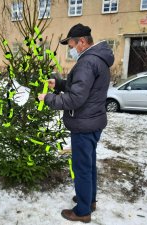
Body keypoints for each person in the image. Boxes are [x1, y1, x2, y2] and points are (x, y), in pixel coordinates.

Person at [38, 23, 114, 223]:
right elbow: (83, 89)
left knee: (81, 167)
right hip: (93, 121)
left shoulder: (87, 62)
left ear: (82, 42)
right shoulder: (98, 59)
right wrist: (61, 84)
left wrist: (47, 99)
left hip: (84, 124)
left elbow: (75, 99)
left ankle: (82, 211)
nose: (70, 49)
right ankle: (90, 200)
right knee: (88, 165)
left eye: (71, 45)